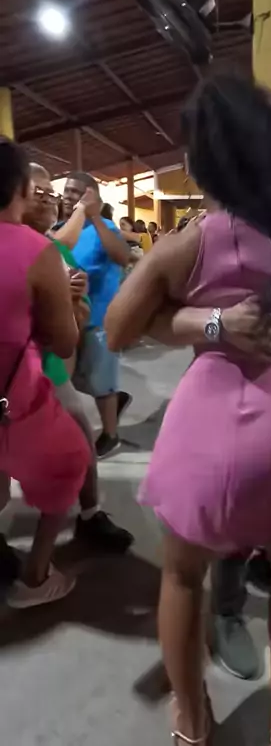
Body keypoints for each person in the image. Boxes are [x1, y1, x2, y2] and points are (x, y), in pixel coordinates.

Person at [105, 74, 271, 746]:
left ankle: (191, 723)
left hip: (202, 437)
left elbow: (118, 329)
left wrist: (206, 323)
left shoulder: (187, 243)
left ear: (199, 163)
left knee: (184, 576)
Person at [23, 164, 134, 552]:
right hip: (22, 372)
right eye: (40, 193)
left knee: (88, 414)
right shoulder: (43, 241)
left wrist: (73, 306)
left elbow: (120, 256)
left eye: (53, 194)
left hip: (61, 355)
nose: (54, 199)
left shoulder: (66, 240)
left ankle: (88, 513)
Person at [0, 139, 91, 607]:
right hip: (15, 402)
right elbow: (64, 343)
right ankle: (35, 576)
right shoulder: (39, 251)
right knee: (71, 459)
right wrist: (73, 306)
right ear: (20, 188)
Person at [54, 172, 131, 457]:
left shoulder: (105, 227)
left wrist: (96, 216)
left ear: (91, 196)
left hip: (100, 318)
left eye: (76, 192)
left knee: (99, 381)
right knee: (74, 379)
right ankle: (115, 398)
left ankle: (111, 435)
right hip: (71, 320)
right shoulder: (62, 229)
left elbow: (123, 256)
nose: (68, 196)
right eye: (67, 190)